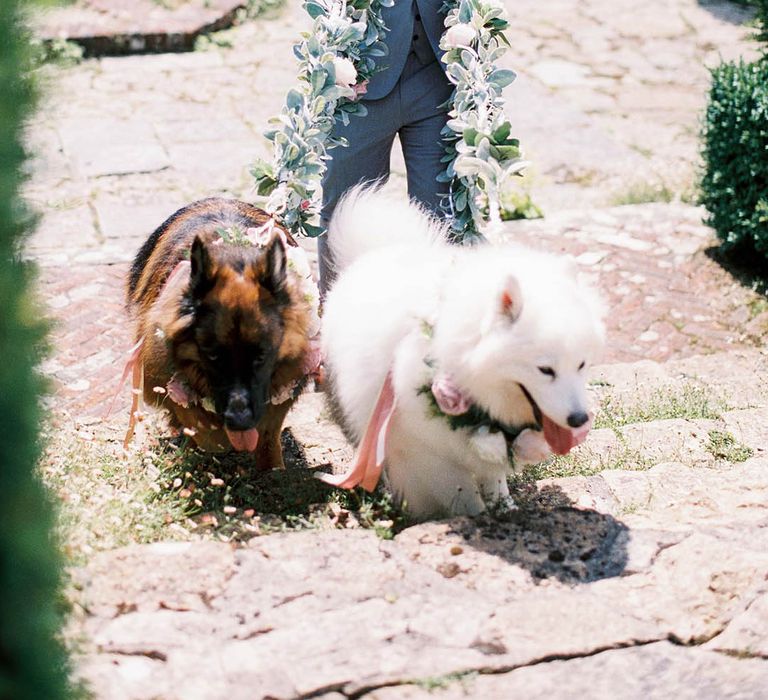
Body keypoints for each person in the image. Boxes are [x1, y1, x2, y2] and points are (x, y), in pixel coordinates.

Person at [318, 0, 452, 295]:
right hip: (357, 83)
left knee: (442, 216)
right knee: (345, 211)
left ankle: (434, 319)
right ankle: (338, 319)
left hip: (438, 76)